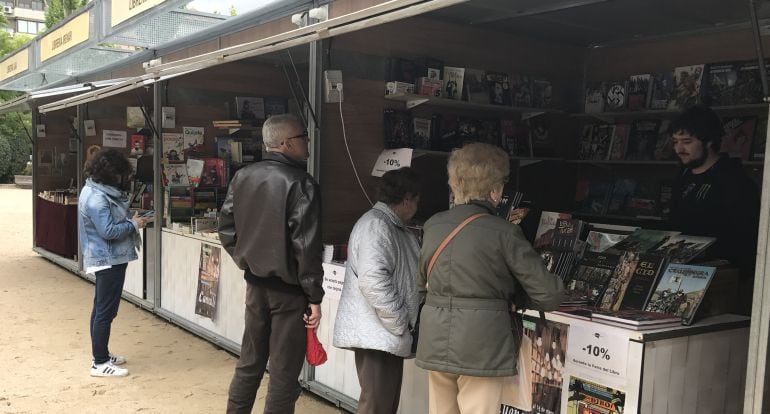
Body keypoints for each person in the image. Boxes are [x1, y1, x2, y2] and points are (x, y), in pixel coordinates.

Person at [415, 143, 564, 414]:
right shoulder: (503, 232)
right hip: (481, 345)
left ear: (455, 184)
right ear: (494, 190)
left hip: (435, 337)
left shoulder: (433, 225)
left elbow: (420, 284)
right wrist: (514, 297)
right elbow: (549, 294)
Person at [218, 114, 323, 414]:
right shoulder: (302, 184)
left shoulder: (242, 176)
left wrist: (246, 260)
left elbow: (225, 229)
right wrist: (314, 297)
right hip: (290, 293)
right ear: (287, 143)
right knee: (284, 373)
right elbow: (307, 247)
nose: (307, 144)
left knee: (249, 363)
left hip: (255, 286)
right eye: (304, 137)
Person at [333, 167, 422, 414]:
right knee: (376, 405)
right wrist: (399, 321)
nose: (417, 207)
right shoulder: (377, 226)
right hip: (379, 333)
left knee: (383, 404)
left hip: (384, 333)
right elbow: (374, 282)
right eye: (416, 201)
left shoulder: (391, 225)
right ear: (407, 199)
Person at [669, 106, 760, 314]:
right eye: (675, 142)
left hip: (719, 279)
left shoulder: (735, 181)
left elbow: (747, 237)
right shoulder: (683, 176)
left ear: (709, 141)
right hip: (680, 273)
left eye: (687, 142)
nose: (678, 149)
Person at [79, 148, 150, 377]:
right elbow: (108, 231)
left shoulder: (93, 191)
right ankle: (99, 363)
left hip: (106, 257)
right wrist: (134, 224)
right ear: (111, 174)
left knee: (100, 308)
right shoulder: (98, 198)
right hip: (109, 258)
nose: (123, 180)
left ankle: (101, 354)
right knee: (105, 311)